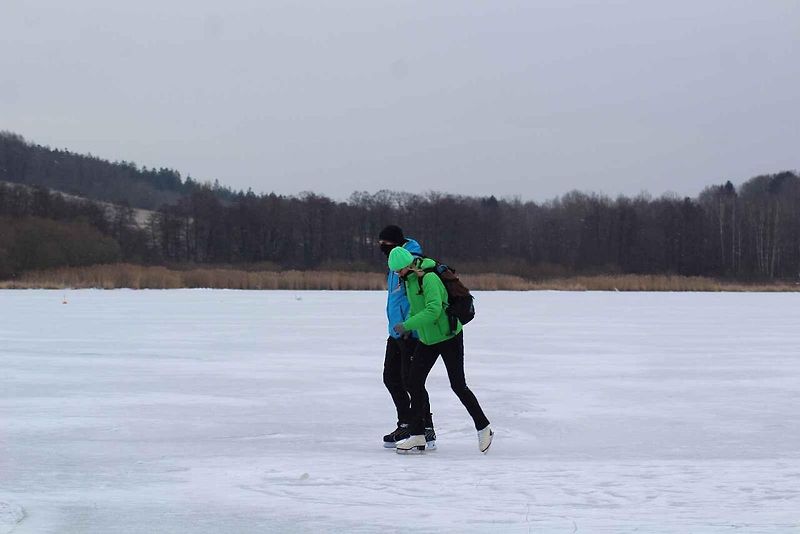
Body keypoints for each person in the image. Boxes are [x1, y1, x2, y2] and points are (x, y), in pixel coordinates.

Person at [387, 246, 493, 454]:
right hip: (428, 340)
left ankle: (484, 428)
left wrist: (407, 325)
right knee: (413, 382)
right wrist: (409, 324)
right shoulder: (409, 280)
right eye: (395, 271)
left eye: (399, 270)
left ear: (408, 266)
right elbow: (416, 308)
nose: (397, 274)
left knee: (458, 385)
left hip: (449, 336)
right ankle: (417, 435)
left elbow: (433, 310)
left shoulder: (429, 278)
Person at [377, 225, 436, 449]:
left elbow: (415, 299)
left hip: (411, 331)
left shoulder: (411, 262)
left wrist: (410, 326)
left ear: (396, 242)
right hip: (396, 330)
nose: (382, 248)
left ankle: (426, 428)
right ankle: (406, 423)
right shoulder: (395, 261)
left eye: (385, 243)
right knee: (391, 377)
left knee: (412, 381)